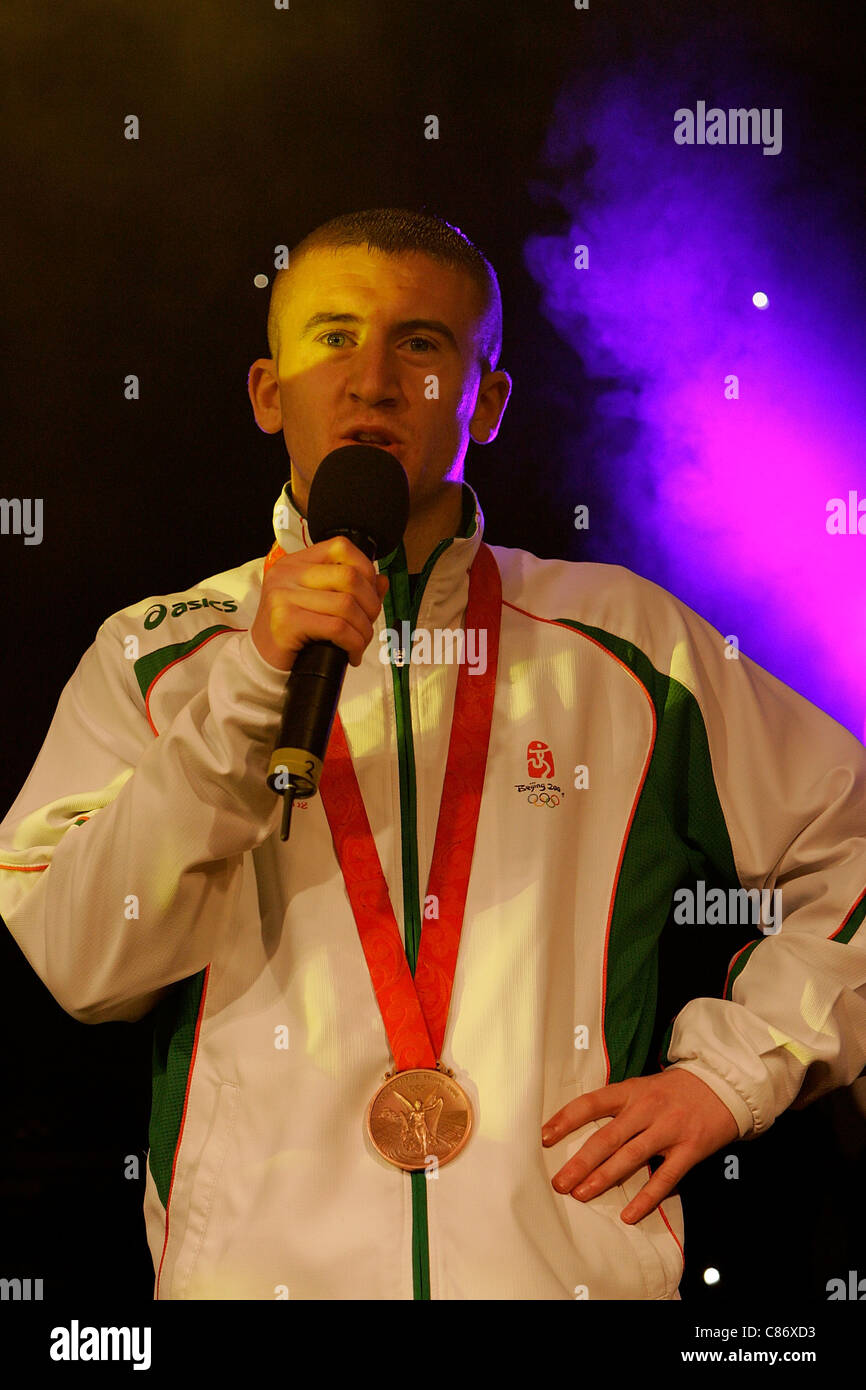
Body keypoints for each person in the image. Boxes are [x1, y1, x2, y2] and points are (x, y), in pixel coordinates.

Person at [1, 207, 864, 1301]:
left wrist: (731, 1076)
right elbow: (82, 963)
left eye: (419, 342)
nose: (368, 380)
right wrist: (252, 686)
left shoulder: (622, 643)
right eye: (331, 337)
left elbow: (852, 848)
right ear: (268, 391)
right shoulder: (157, 655)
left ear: (485, 401)